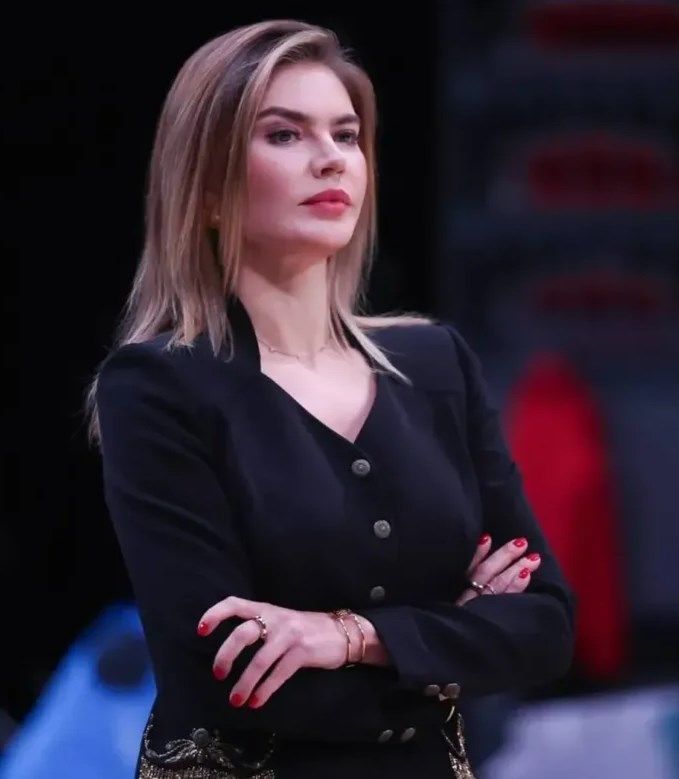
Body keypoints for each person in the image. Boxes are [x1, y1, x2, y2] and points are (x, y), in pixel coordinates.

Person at [88, 19, 576, 779]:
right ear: (207, 189)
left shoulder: (436, 363)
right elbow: (223, 672)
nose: (330, 158)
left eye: (345, 135)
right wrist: (448, 639)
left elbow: (544, 627)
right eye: (284, 135)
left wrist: (348, 636)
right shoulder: (157, 386)